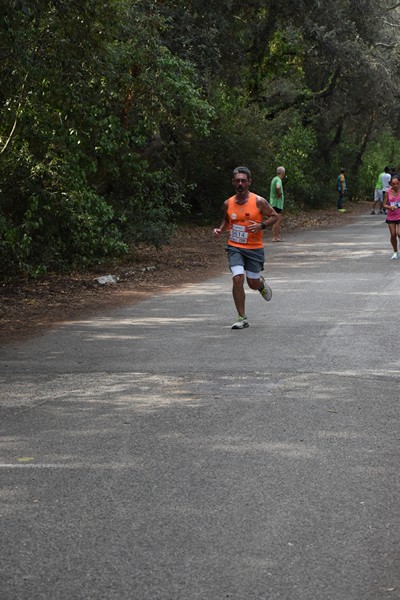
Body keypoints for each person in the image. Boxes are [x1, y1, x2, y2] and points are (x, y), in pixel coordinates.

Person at [213, 166, 278, 329]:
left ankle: (260, 285)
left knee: (252, 283)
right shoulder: (228, 203)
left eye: (243, 180)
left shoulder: (258, 201)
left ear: (249, 182)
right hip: (235, 246)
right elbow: (227, 220)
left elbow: (275, 216)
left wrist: (261, 226)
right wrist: (220, 230)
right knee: (237, 278)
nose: (240, 183)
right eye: (237, 181)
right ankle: (242, 317)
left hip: (254, 248)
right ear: (233, 183)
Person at [383, 174, 400, 259]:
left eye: (397, 183)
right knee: (393, 235)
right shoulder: (387, 192)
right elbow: (384, 205)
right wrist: (390, 207)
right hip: (391, 216)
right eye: (393, 184)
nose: (395, 185)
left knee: (399, 234)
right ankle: (395, 252)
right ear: (391, 184)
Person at [270, 166, 285, 241]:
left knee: (274, 220)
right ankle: (276, 237)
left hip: (273, 202)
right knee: (277, 220)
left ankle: (275, 236)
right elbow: (278, 187)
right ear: (283, 173)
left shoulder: (274, 179)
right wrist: (280, 194)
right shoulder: (278, 179)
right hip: (277, 203)